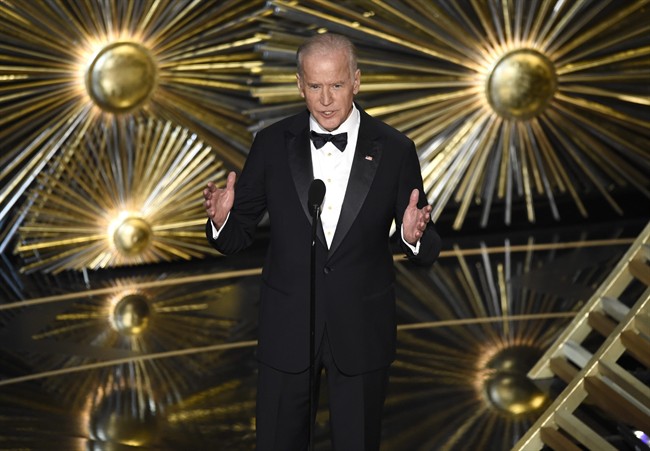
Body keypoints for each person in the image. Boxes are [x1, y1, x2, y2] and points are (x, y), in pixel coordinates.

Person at [204, 33, 441, 451]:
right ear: (300, 85)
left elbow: (429, 245)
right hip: (287, 328)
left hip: (362, 332)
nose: (326, 99)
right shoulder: (272, 144)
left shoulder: (395, 149)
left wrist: (411, 237)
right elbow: (237, 236)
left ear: (356, 81)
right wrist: (223, 221)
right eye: (315, 86)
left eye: (337, 85)